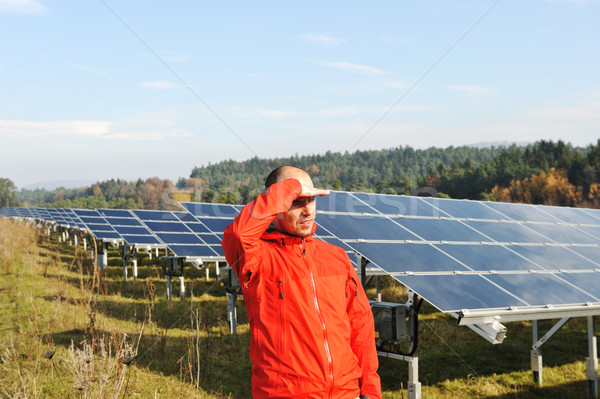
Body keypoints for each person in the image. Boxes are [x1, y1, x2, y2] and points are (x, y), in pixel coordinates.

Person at [221, 165, 382, 399]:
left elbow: (360, 325)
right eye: (296, 202)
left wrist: (369, 389)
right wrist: (289, 190)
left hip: (347, 393)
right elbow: (238, 235)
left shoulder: (336, 257)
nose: (307, 211)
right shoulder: (258, 258)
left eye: (311, 200)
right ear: (275, 204)